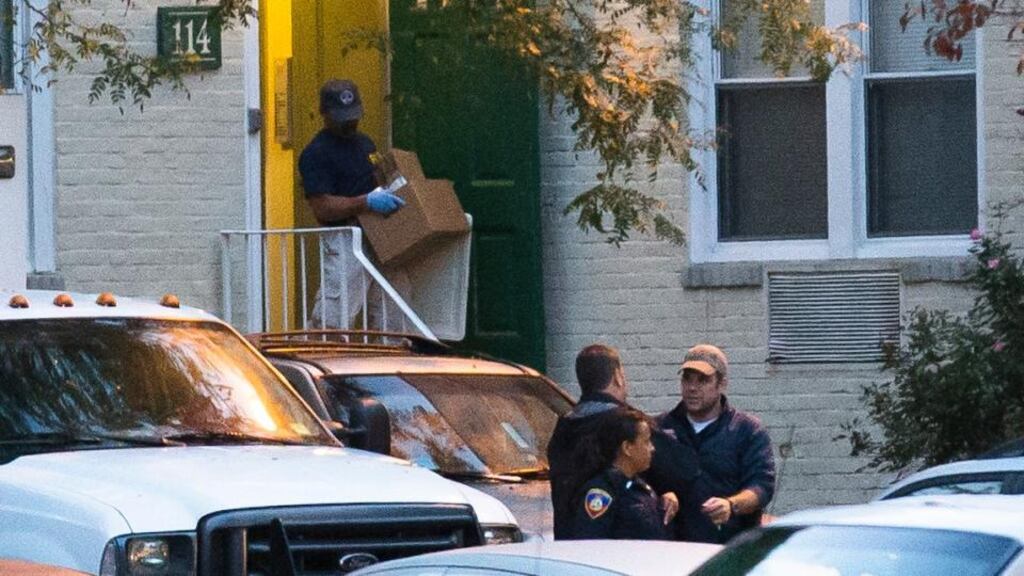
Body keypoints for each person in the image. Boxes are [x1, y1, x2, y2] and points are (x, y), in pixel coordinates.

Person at [548, 344, 696, 540]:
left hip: (569, 550)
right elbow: (684, 470)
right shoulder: (626, 424)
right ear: (618, 376)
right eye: (646, 443)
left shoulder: (563, 427)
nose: (650, 447)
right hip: (621, 552)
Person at [298, 79, 407, 329]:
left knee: (395, 307)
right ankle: (321, 356)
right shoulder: (316, 153)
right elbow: (322, 206)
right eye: (341, 117)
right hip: (346, 237)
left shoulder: (365, 144)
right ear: (324, 114)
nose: (349, 123)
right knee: (337, 310)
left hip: (381, 234)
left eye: (353, 116)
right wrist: (366, 202)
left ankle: (391, 357)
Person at [657, 344, 776, 543]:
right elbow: (639, 479)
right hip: (674, 551)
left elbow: (762, 487)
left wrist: (731, 505)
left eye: (703, 380)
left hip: (729, 551)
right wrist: (660, 494)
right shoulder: (660, 428)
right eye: (687, 378)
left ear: (722, 384)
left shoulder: (747, 431)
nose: (692, 388)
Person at [563, 408, 678, 540]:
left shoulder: (638, 485)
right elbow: (591, 544)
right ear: (627, 448)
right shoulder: (602, 493)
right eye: (646, 442)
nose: (652, 448)